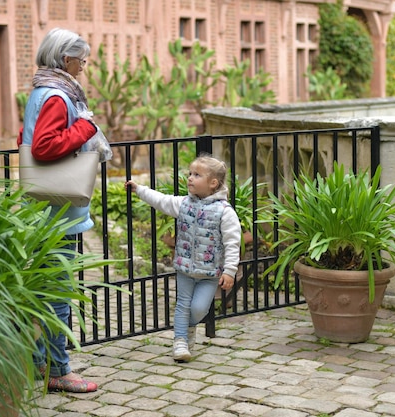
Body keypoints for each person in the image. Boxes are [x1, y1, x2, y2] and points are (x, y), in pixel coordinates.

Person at [18, 27, 98, 393]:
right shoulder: (57, 95)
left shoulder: (40, 91)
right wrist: (85, 128)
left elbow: (24, 139)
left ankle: (41, 363)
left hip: (42, 207)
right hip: (59, 212)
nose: (84, 65)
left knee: (44, 289)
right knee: (58, 293)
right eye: (82, 58)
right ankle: (59, 371)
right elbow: (43, 148)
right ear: (65, 59)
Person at [125, 154, 241, 362]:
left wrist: (230, 270)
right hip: (184, 268)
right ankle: (180, 341)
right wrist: (139, 190)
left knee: (198, 308)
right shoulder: (184, 204)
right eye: (190, 173)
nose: (190, 178)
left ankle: (189, 328)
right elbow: (161, 201)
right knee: (183, 304)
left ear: (213, 183)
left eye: (197, 175)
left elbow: (232, 243)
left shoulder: (225, 212)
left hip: (209, 273)